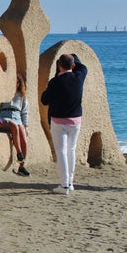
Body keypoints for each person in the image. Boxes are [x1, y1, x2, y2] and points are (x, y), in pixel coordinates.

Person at [40, 52, 88, 195]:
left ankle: (64, 185)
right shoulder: (79, 77)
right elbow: (83, 67)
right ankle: (70, 183)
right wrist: (74, 57)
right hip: (75, 121)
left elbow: (44, 101)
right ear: (73, 66)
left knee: (61, 152)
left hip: (58, 121)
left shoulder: (54, 82)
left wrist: (45, 91)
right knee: (71, 150)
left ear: (59, 65)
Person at [0, 74, 33, 176]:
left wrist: (26, 126)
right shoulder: (3, 92)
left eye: (17, 82)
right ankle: (19, 153)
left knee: (23, 137)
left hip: (17, 116)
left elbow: (24, 112)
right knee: (13, 126)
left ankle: (21, 166)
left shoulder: (21, 96)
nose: (15, 84)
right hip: (4, 115)